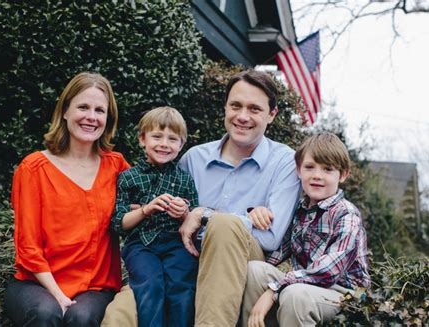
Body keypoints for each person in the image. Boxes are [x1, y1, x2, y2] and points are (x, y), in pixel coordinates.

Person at [101, 69, 301, 327]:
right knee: (120, 315)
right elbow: (162, 219)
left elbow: (270, 237)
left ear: (272, 114)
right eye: (235, 106)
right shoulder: (193, 159)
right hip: (181, 262)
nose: (242, 116)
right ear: (225, 107)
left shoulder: (284, 162)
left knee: (225, 225)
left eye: (254, 109)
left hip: (239, 267)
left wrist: (204, 214)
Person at [4, 72, 131, 326]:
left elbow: (143, 206)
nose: (91, 117)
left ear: (108, 118)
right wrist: (59, 296)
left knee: (81, 317)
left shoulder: (116, 166)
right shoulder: (33, 168)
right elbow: (28, 247)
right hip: (36, 284)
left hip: (95, 287)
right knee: (46, 313)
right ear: (64, 111)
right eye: (83, 107)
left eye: (100, 110)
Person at [242, 132, 371, 327]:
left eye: (328, 169)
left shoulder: (347, 214)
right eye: (310, 167)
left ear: (343, 175)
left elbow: (328, 271)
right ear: (298, 170)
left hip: (345, 293)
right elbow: (274, 253)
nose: (317, 176)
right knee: (255, 270)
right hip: (306, 285)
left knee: (296, 295)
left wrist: (273, 290)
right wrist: (254, 216)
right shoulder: (299, 211)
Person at [110, 106, 199, 327]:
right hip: (141, 245)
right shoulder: (128, 178)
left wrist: (184, 213)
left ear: (181, 145)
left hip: (175, 242)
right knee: (151, 285)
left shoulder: (185, 180)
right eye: (157, 136)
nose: (164, 144)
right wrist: (144, 210)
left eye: (172, 139)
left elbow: (194, 217)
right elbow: (118, 224)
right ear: (143, 139)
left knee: (181, 286)